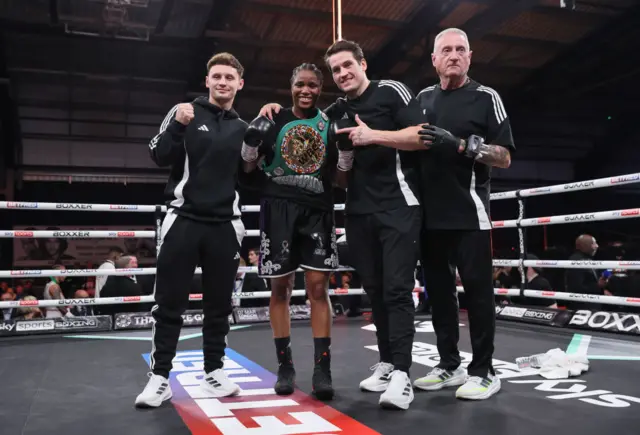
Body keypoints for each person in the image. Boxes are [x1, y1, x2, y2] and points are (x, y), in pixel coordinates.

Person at [354, 28, 515, 400]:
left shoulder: (486, 97)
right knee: (440, 294)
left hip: (468, 213)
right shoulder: (423, 98)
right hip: (426, 215)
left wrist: (461, 146)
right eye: (446, 50)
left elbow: (504, 156)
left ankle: (485, 371)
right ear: (434, 59)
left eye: (461, 49)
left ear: (470, 57)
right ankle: (449, 364)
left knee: (477, 294)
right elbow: (404, 138)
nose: (454, 55)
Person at [135, 52, 248, 408]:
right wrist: (177, 126)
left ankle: (213, 370)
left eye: (229, 77)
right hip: (183, 219)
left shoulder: (243, 128)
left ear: (239, 83)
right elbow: (157, 154)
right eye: (217, 76)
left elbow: (251, 176)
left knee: (219, 305)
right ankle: (159, 377)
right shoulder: (184, 111)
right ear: (207, 80)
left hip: (225, 225)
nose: (223, 82)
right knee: (169, 303)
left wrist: (262, 142)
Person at [241, 63, 341, 400]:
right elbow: (247, 164)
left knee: (317, 288)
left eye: (313, 85)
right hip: (277, 208)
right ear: (291, 85)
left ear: (320, 88)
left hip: (317, 209)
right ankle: (285, 366)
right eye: (301, 84)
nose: (306, 91)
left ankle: (321, 369)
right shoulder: (274, 118)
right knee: (280, 288)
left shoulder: (329, 124)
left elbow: (340, 175)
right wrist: (251, 143)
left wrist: (349, 154)